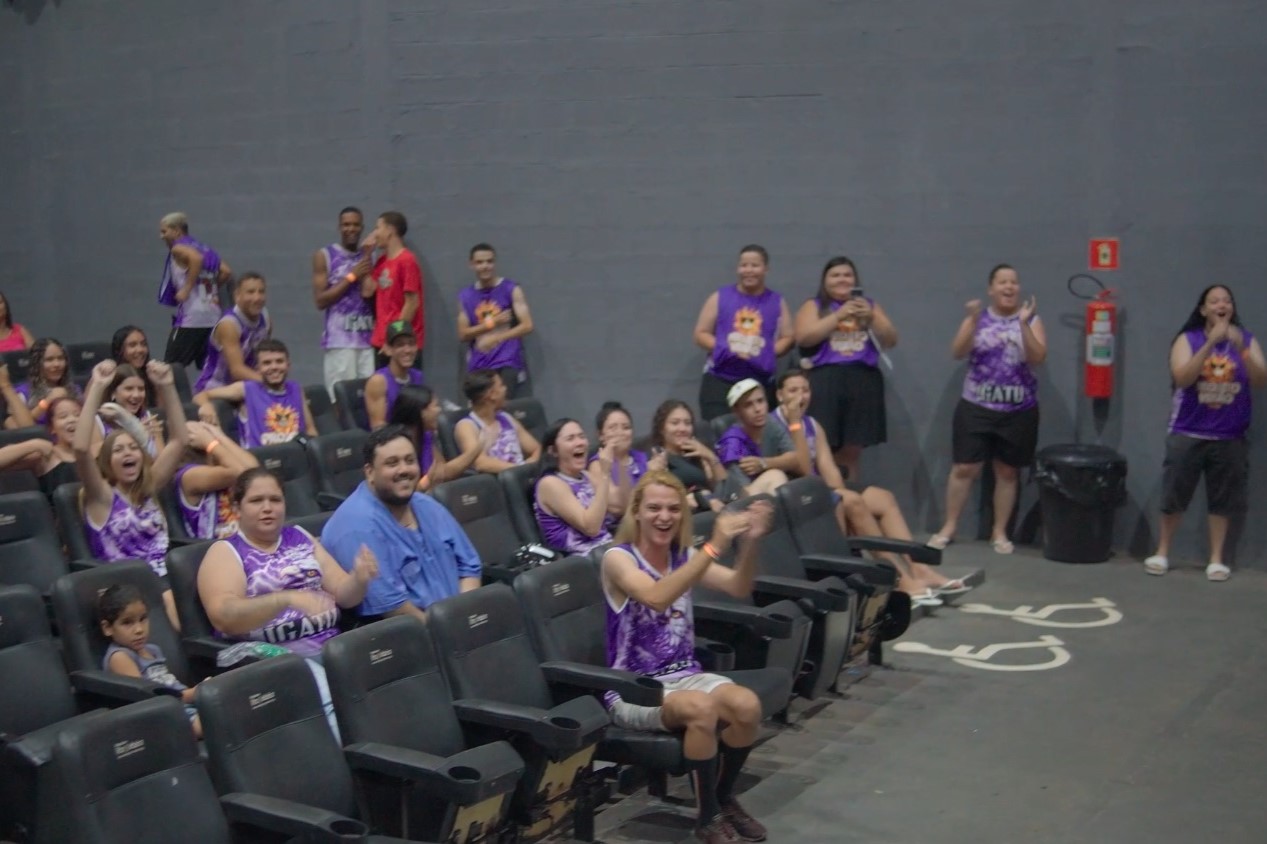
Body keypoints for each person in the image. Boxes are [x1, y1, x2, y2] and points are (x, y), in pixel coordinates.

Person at [601, 472, 772, 843]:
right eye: (654, 508)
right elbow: (656, 597)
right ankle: (706, 817)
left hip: (685, 674)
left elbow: (738, 586)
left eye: (673, 509)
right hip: (634, 688)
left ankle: (723, 799)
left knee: (746, 706)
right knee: (701, 708)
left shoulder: (683, 556)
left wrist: (750, 543)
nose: (664, 517)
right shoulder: (618, 559)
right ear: (637, 512)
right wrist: (715, 545)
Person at [197, 468, 379, 737]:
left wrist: (359, 579)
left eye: (275, 499)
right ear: (236, 508)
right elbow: (224, 616)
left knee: (383, 669)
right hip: (271, 659)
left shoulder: (300, 537)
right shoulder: (225, 552)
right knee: (324, 689)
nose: (267, 508)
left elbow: (344, 594)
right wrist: (284, 599)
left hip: (331, 649)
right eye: (256, 501)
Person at [770, 371, 967, 604]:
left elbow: (828, 467)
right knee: (854, 502)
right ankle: (900, 579)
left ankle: (919, 568)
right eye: (793, 391)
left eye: (805, 390)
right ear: (780, 395)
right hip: (799, 493)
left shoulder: (812, 424)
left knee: (883, 498)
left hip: (820, 486)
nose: (801, 396)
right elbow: (802, 469)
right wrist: (794, 424)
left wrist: (837, 488)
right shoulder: (775, 426)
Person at [1144, 285, 1266, 581]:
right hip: (1188, 431)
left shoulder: (1246, 340)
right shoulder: (1188, 339)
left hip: (1229, 435)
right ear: (1203, 310)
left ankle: (1216, 559)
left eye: (1226, 301)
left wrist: (1241, 348)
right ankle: (1162, 552)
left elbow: (1261, 379)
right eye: (1214, 301)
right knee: (1175, 494)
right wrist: (1211, 343)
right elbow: (1183, 377)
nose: (1221, 305)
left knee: (1222, 500)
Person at [930, 264, 1045, 555]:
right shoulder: (978, 319)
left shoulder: (1030, 319)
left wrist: (1023, 325)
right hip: (976, 405)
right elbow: (957, 351)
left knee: (1007, 471)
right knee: (964, 468)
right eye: (1002, 282)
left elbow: (1038, 357)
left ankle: (999, 531)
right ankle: (949, 526)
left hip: (1018, 409)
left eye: (1013, 282)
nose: (1009, 287)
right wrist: (971, 321)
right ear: (991, 289)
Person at [321, 426, 482, 619]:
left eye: (410, 460)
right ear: (370, 472)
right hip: (413, 631)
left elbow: (469, 567)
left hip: (459, 619)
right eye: (392, 463)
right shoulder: (355, 526)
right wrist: (448, 631)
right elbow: (392, 607)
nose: (404, 470)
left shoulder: (427, 505)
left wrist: (466, 615)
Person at [74, 360, 188, 628]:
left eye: (133, 448)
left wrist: (167, 386)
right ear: (107, 462)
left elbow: (180, 441)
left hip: (167, 577)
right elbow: (80, 449)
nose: (128, 453)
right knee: (171, 597)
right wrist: (97, 387)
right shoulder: (101, 496)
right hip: (125, 586)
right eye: (118, 450)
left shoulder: (149, 488)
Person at [793, 256, 897, 483]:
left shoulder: (868, 305)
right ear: (825, 281)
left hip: (862, 379)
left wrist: (871, 318)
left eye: (847, 275)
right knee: (822, 446)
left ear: (855, 280)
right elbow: (804, 337)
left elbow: (890, 339)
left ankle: (850, 497)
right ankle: (826, 498)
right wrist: (838, 316)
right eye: (835, 275)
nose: (842, 279)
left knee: (851, 451)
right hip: (826, 379)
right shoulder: (815, 305)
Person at [693, 245, 794, 421]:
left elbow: (789, 337)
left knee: (760, 436)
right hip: (721, 380)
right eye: (744, 265)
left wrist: (767, 353)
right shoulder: (719, 297)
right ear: (737, 268)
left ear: (766, 269)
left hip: (760, 383)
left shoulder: (777, 301)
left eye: (755, 265)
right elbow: (700, 333)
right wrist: (727, 349)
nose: (749, 270)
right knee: (723, 434)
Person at [97, 583, 201, 737]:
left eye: (143, 619)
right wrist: (190, 694)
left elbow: (168, 683)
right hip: (161, 717)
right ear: (108, 628)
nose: (139, 629)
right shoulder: (119, 657)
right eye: (127, 622)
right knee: (213, 722)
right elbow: (145, 697)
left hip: (181, 705)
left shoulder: (152, 650)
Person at [193, 339, 316, 448]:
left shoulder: (296, 389)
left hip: (296, 458)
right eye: (267, 363)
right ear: (258, 369)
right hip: (261, 460)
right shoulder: (246, 389)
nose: (274, 367)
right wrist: (206, 406)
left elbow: (310, 430)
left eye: (279, 361)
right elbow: (201, 395)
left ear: (288, 366)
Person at [312, 207, 376, 397]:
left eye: (356, 225)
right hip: (340, 342)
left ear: (362, 227)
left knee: (368, 399)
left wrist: (366, 258)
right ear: (339, 227)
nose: (351, 229)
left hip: (367, 340)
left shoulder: (370, 256)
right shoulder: (325, 255)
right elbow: (320, 301)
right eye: (346, 225)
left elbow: (371, 295)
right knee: (341, 399)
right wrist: (351, 276)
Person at [456, 243, 535, 398]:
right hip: (479, 363)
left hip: (507, 360)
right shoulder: (465, 296)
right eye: (480, 262)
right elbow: (463, 334)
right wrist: (491, 324)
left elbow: (527, 325)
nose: (485, 266)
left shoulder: (511, 289)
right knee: (482, 408)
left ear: (495, 263)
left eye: (489, 261)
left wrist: (498, 337)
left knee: (502, 405)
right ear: (471, 265)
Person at [157, 212, 234, 368]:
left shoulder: (178, 248)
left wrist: (187, 288)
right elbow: (226, 271)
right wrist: (210, 288)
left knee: (169, 369)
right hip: (212, 318)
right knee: (207, 368)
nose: (161, 236)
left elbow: (196, 259)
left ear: (176, 231)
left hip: (191, 319)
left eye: (164, 231)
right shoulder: (204, 249)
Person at [388, 385, 493, 491]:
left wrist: (478, 447)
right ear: (422, 412)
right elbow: (406, 489)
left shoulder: (426, 437)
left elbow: (443, 472)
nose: (439, 410)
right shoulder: (396, 444)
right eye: (435, 406)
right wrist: (478, 448)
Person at [534, 418, 615, 554]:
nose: (580, 442)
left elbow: (616, 509)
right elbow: (591, 528)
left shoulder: (586, 476)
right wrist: (605, 474)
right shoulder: (550, 483)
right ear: (553, 451)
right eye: (570, 438)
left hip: (607, 548)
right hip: (580, 559)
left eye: (582, 436)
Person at [714, 378, 806, 497]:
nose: (758, 409)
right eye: (748, 405)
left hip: (771, 493)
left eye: (760, 401)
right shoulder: (732, 444)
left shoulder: (770, 422)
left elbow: (795, 459)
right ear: (737, 411)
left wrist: (764, 463)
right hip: (743, 498)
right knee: (775, 476)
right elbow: (743, 492)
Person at [172, 420, 259, 540]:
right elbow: (239, 473)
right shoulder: (188, 475)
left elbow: (254, 473)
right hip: (216, 546)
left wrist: (220, 436)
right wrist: (211, 443)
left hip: (246, 540)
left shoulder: (222, 466)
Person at [0, 363, 79, 492]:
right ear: (52, 427)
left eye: (77, 415)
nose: (72, 420)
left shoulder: (97, 451)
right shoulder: (47, 455)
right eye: (63, 416)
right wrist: (34, 444)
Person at [591, 402, 666, 532]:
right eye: (613, 428)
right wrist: (649, 475)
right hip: (621, 530)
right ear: (601, 436)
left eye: (626, 427)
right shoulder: (597, 464)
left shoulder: (640, 457)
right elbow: (619, 507)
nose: (620, 433)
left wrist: (662, 472)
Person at [193, 272, 272, 393]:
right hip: (214, 389)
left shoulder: (265, 318)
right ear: (237, 296)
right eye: (250, 292)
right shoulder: (229, 325)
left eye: (261, 292)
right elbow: (237, 371)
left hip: (246, 386)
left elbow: (264, 357)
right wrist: (271, 384)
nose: (257, 298)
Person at [453, 369, 541, 473]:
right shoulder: (466, 426)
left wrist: (528, 466)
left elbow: (537, 449)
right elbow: (481, 463)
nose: (505, 389)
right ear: (492, 394)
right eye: (501, 385)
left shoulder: (506, 417)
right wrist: (520, 470)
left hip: (522, 475)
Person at [651, 399, 727, 513]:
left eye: (687, 423)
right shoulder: (660, 458)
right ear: (662, 428)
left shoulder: (697, 453)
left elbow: (724, 487)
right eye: (675, 423)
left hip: (712, 507)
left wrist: (710, 457)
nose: (682, 429)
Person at [366, 211, 424, 359]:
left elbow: (412, 303)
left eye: (378, 228)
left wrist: (394, 339)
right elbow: (368, 291)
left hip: (402, 345)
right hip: (382, 341)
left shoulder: (407, 260)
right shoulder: (381, 261)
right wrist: (366, 255)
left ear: (390, 230)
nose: (375, 233)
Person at [94, 364, 165, 459]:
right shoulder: (98, 422)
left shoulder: (149, 419)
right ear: (113, 393)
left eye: (141, 389)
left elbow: (162, 461)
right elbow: (98, 460)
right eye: (129, 389)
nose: (136, 395)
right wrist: (136, 431)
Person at [9, 337, 79, 428]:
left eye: (60, 358)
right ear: (37, 364)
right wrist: (47, 401)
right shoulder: (22, 393)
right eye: (49, 360)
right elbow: (23, 427)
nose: (57, 364)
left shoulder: (74, 389)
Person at [365, 321, 423, 429]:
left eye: (411, 344)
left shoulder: (419, 376)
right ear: (388, 349)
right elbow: (378, 427)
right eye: (400, 345)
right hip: (391, 437)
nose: (407, 350)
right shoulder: (378, 382)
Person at [111, 325, 157, 407]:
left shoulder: (152, 376)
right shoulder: (107, 376)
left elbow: (161, 411)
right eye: (132, 345)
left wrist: (162, 384)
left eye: (143, 344)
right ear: (119, 350)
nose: (140, 350)